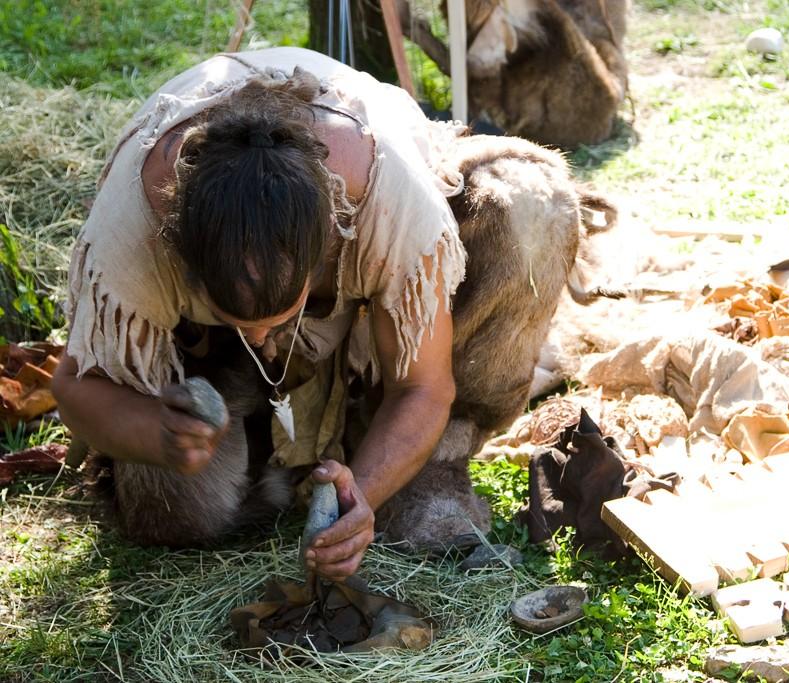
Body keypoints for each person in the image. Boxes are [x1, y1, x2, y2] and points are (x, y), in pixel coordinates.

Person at [51, 47, 603, 582]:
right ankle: (277, 441)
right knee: (177, 515)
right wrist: (154, 431)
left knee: (530, 201)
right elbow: (74, 385)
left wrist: (359, 496)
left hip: (354, 321)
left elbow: (423, 387)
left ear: (328, 249)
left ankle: (434, 462)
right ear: (183, 263)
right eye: (241, 315)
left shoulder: (390, 199)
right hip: (207, 357)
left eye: (279, 313)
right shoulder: (133, 225)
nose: (263, 334)